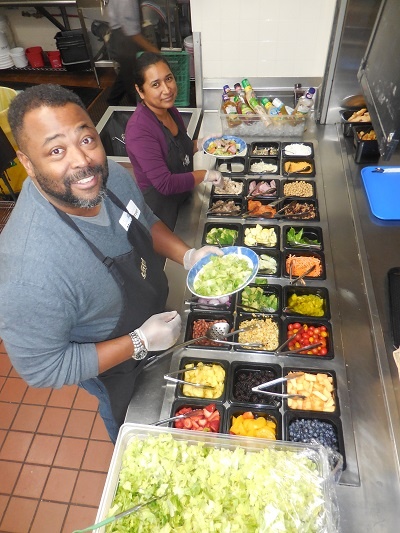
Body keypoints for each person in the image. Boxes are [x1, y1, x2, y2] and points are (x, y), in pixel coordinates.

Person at [0, 84, 220, 443]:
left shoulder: (109, 176)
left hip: (153, 312)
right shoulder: (29, 272)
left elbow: (144, 218)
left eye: (86, 140)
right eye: (56, 150)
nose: (82, 162)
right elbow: (43, 369)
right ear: (27, 162)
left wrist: (188, 256)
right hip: (113, 366)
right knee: (130, 426)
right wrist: (138, 341)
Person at [125, 52, 224, 230]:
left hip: (185, 198)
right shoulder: (139, 130)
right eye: (156, 84)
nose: (167, 89)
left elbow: (180, 150)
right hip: (163, 213)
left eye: (168, 79)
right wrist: (205, 175)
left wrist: (201, 144)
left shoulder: (170, 110)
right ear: (140, 91)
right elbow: (165, 183)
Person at [106, 0, 159, 106]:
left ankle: (112, 101)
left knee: (127, 72)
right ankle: (135, 109)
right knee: (132, 81)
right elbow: (131, 31)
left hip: (121, 37)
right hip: (125, 40)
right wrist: (153, 50)